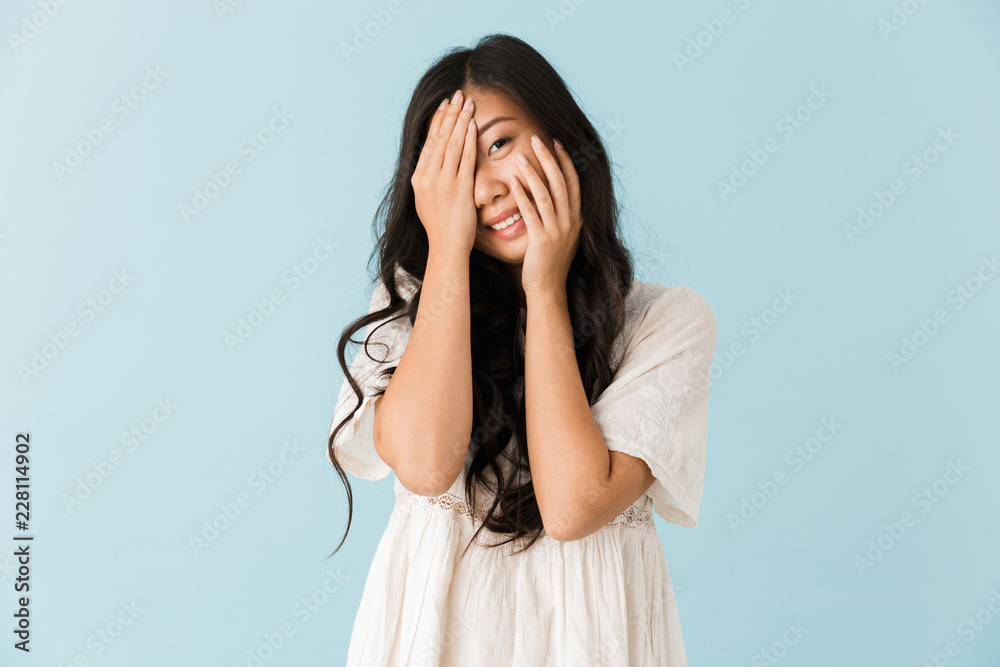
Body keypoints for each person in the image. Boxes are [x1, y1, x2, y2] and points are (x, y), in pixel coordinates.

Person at [326, 33, 718, 667]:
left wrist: (545, 290)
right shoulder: (410, 305)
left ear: (561, 135)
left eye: (498, 144)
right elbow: (425, 466)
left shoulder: (665, 325)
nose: (483, 189)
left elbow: (571, 507)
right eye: (454, 166)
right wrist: (446, 249)